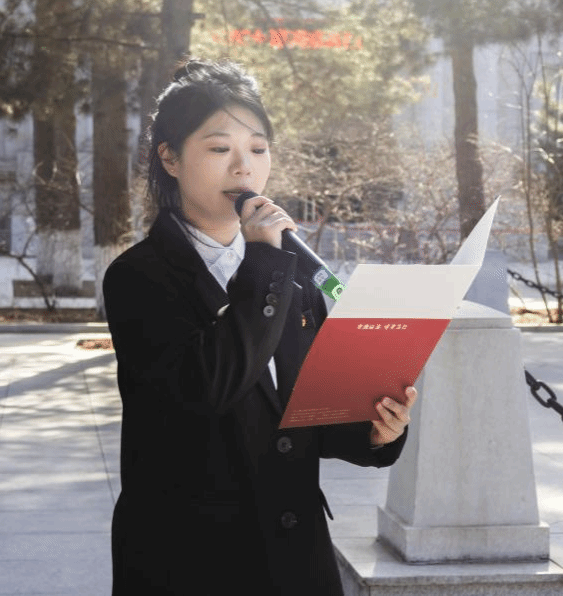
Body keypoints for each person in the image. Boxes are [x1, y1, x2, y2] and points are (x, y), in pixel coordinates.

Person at [103, 59, 418, 596]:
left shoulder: (288, 270)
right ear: (170, 158)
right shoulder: (139, 276)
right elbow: (209, 385)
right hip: (188, 559)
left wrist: (375, 430)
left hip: (297, 557)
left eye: (257, 148)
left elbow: (303, 414)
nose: (243, 168)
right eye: (219, 148)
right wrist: (265, 263)